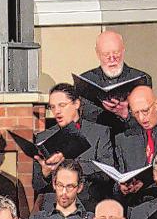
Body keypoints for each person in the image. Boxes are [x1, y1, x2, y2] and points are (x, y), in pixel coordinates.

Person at [31, 84, 114, 212]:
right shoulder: (44, 138)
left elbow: (107, 172)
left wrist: (71, 166)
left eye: (62, 105)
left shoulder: (99, 133)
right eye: (53, 107)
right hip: (55, 209)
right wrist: (45, 173)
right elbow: (37, 185)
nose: (57, 111)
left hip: (89, 206)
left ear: (76, 104)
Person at [77, 30, 152, 136]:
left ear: (123, 50)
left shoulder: (141, 79)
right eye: (106, 54)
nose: (112, 58)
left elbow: (148, 119)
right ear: (97, 54)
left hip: (130, 138)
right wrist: (108, 110)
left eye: (116, 52)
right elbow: (86, 117)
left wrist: (126, 114)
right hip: (97, 139)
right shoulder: (86, 80)